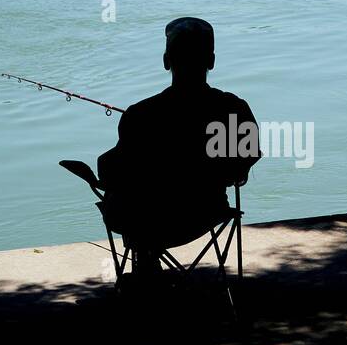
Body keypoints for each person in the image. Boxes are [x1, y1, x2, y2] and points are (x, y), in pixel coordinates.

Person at [97, 17, 260, 272]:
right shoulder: (234, 109)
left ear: (166, 61)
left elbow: (112, 172)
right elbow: (243, 165)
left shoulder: (140, 114)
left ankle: (146, 267)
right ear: (211, 61)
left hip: (147, 221)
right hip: (205, 213)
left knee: (122, 196)